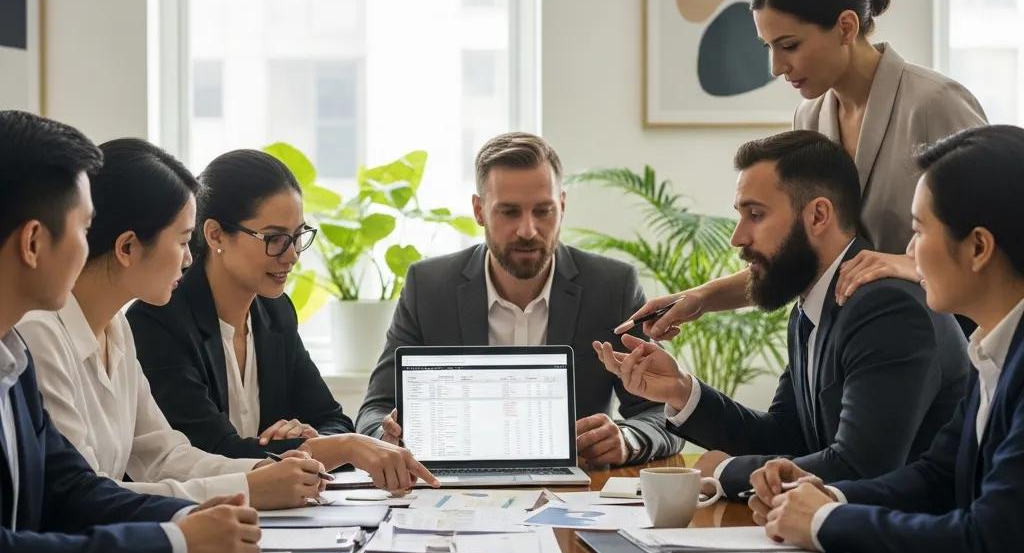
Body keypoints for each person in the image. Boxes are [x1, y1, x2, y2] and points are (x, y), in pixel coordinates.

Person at [622, 0, 986, 341]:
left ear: (846, 27)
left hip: (949, 352)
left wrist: (911, 264)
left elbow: (1000, 240)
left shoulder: (935, 104)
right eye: (769, 47)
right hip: (853, 346)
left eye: (789, 45)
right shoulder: (810, 118)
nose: (777, 67)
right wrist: (701, 298)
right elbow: (806, 254)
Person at [594, 131, 968, 497]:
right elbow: (786, 436)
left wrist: (723, 471)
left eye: (755, 214)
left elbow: (860, 468)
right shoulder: (812, 306)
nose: (737, 238)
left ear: (818, 215)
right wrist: (680, 390)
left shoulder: (886, 308)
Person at [754, 126, 1024, 553]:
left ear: (978, 248)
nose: (908, 252)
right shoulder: (991, 351)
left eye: (918, 231)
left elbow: (990, 544)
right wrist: (824, 493)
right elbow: (938, 476)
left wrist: (826, 521)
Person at [0, 111, 258, 553]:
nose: (88, 247)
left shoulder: (13, 355)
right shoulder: (34, 339)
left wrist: (186, 520)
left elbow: (70, 489)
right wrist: (175, 546)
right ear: (34, 243)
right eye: (84, 228)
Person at [18, 139, 327, 509]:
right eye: (183, 241)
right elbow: (81, 497)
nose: (187, 260)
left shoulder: (116, 328)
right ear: (128, 247)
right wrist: (248, 489)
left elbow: (163, 456)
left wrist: (261, 468)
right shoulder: (40, 334)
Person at [356, 133, 682, 467]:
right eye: (509, 212)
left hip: (578, 495)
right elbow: (374, 411)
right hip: (454, 495)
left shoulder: (612, 287)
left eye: (543, 211)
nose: (528, 230)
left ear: (563, 206)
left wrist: (627, 440)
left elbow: (662, 411)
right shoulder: (428, 288)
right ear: (479, 210)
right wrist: (389, 443)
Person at [128, 148, 438, 492]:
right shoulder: (158, 320)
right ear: (215, 235)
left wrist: (307, 437)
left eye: (297, 236)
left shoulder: (275, 313)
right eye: (274, 239)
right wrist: (336, 446)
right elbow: (212, 451)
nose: (291, 255)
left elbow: (333, 419)